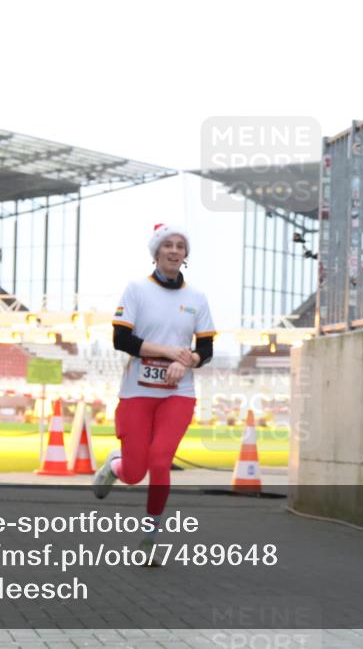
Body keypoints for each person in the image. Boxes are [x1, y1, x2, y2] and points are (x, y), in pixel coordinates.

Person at [93, 223, 215, 548]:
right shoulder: (136, 290)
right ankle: (115, 465)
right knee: (134, 474)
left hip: (178, 394)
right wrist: (168, 352)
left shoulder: (197, 298)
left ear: (185, 255)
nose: (174, 250)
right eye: (168, 245)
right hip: (137, 392)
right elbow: (122, 340)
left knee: (160, 461)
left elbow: (206, 349)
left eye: (180, 246)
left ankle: (150, 535)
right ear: (156, 252)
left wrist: (187, 361)